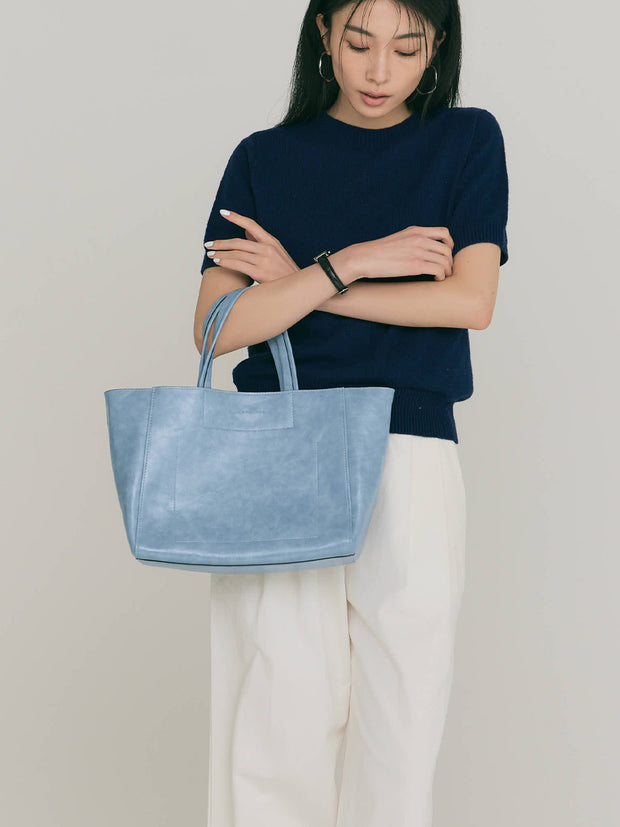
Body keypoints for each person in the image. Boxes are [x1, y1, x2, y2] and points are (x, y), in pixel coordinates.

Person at [193, 0, 509, 824]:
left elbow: (470, 302)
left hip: (410, 449)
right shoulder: (263, 158)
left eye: (406, 48)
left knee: (401, 722)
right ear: (324, 33)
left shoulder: (467, 140)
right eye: (359, 42)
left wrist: (300, 282)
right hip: (280, 451)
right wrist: (351, 263)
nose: (378, 71)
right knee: (275, 720)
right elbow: (217, 324)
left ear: (437, 46)